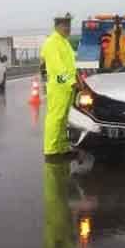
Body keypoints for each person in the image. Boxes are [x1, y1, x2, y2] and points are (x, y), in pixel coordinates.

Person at [40, 13, 77, 158]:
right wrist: (71, 81)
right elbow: (58, 67)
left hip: (66, 87)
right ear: (57, 26)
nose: (68, 28)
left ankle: (62, 147)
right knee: (55, 118)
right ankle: (51, 149)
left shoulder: (64, 42)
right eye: (65, 25)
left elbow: (70, 66)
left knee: (64, 119)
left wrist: (76, 80)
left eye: (69, 25)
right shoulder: (51, 43)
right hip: (58, 87)